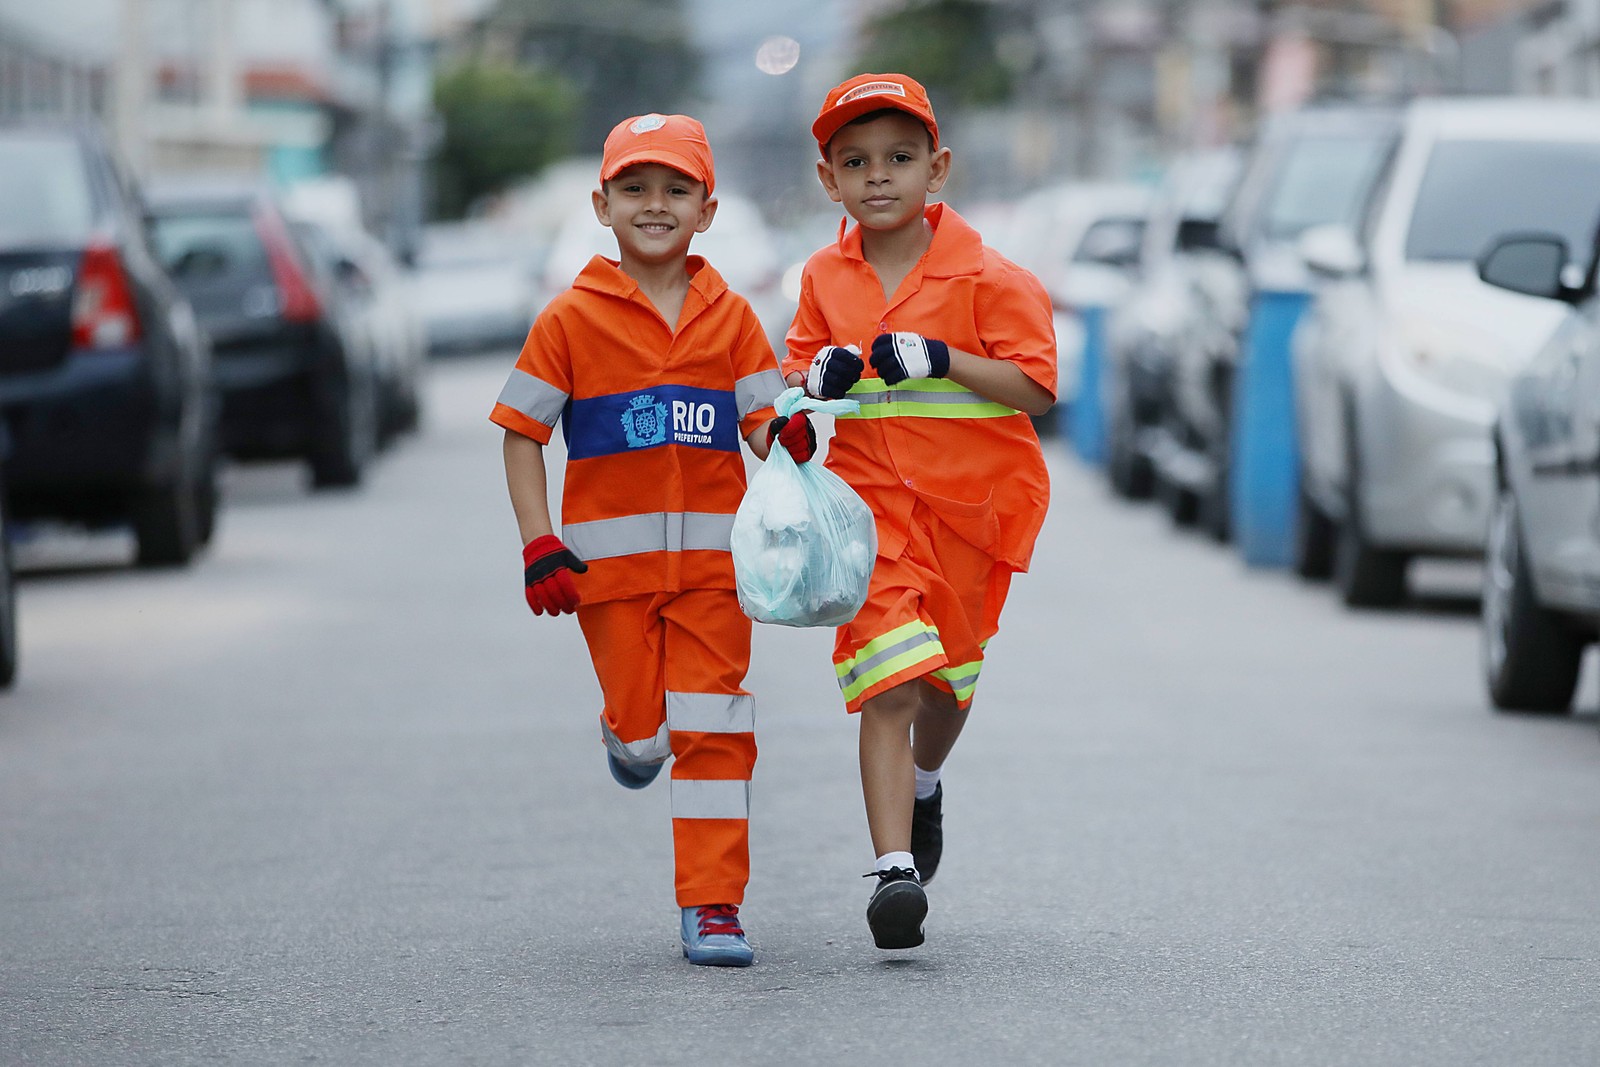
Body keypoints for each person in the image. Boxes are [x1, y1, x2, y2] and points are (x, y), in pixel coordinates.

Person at [491, 112, 817, 968]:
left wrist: (794, 430)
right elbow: (522, 432)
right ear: (602, 205)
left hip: (716, 575)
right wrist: (540, 543)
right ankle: (626, 734)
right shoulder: (570, 320)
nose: (655, 204)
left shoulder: (733, 318)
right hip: (608, 576)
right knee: (648, 735)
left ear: (706, 210)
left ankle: (713, 906)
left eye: (676, 189)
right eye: (635, 188)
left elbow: (764, 421)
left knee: (714, 724)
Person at [782, 73, 1057, 951]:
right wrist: (812, 382)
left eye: (899, 158)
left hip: (973, 517)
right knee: (891, 681)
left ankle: (927, 783)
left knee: (949, 686)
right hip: (872, 516)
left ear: (937, 169)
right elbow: (797, 374)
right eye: (855, 161)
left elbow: (1037, 388)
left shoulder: (991, 275)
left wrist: (942, 356)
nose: (878, 177)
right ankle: (893, 871)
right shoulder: (825, 275)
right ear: (829, 180)